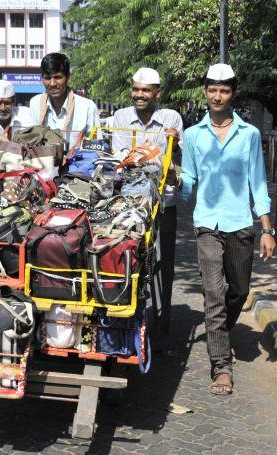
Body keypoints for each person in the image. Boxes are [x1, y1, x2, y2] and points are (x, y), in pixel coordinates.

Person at [179, 63, 276, 395]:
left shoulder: (248, 134)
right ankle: (221, 365)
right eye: (212, 89)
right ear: (205, 92)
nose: (217, 96)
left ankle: (219, 328)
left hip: (240, 224)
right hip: (206, 223)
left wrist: (267, 229)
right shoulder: (192, 136)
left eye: (224, 90)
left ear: (232, 94)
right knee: (214, 293)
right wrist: (172, 184)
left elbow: (258, 183)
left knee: (239, 290)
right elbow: (188, 180)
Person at [111, 67, 183, 351]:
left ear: (157, 93)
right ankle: (132, 318)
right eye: (136, 89)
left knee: (165, 264)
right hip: (130, 203)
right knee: (132, 259)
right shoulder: (120, 118)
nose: (140, 95)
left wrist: (167, 146)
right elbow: (120, 160)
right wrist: (150, 157)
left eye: (146, 90)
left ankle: (163, 323)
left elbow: (174, 158)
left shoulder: (171, 118)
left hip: (164, 203)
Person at [29, 53, 100, 146]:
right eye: (47, 78)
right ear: (42, 78)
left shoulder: (87, 107)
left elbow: (96, 146)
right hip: (43, 159)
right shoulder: (35, 103)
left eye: (58, 77)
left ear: (68, 78)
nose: (52, 83)